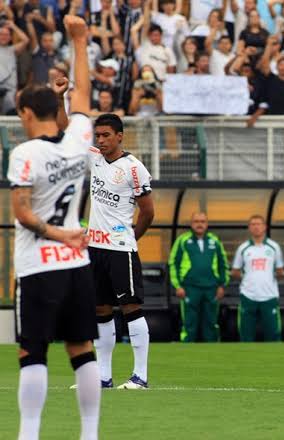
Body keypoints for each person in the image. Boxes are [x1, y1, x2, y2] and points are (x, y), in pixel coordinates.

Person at [8, 15, 100, 440]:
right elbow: (82, 93)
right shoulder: (80, 138)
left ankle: (29, 434)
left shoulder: (25, 153)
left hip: (39, 265)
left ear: (27, 112)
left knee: (34, 354)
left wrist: (58, 232)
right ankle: (90, 433)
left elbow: (23, 212)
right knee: (82, 350)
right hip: (77, 263)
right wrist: (80, 41)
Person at [80, 113, 154, 390]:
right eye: (98, 135)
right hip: (95, 248)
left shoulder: (134, 168)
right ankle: (103, 376)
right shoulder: (95, 157)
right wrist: (62, 98)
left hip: (120, 250)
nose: (101, 140)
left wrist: (130, 238)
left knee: (131, 308)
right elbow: (65, 128)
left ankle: (140, 376)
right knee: (100, 310)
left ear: (120, 136)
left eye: (106, 135)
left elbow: (148, 212)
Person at [169, 212, 230, 342]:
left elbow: (223, 264)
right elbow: (173, 263)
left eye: (202, 222)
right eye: (196, 221)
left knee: (211, 322)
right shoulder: (182, 240)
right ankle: (187, 350)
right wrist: (178, 286)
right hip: (190, 288)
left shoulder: (215, 240)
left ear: (207, 224)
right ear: (191, 224)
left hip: (211, 288)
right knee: (189, 322)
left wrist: (222, 285)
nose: (199, 224)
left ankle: (213, 350)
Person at [232, 215, 284, 342]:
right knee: (246, 335)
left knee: (273, 335)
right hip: (248, 296)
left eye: (259, 224)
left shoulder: (274, 247)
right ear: (249, 228)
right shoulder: (243, 248)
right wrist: (248, 280)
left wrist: (267, 278)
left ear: (265, 227)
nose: (256, 227)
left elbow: (280, 271)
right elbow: (235, 271)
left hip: (269, 296)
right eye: (253, 224)